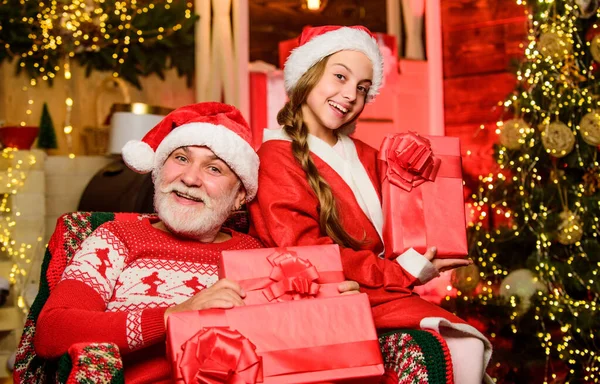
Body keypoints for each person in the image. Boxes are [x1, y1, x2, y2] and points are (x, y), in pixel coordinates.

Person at [34, 102, 361, 383]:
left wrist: (327, 310)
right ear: (159, 170)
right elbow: (52, 331)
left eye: (214, 168)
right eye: (180, 158)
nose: (190, 178)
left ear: (239, 197)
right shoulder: (115, 238)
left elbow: (286, 350)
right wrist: (173, 316)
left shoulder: (256, 255)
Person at [249, 25, 492, 384]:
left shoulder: (367, 155)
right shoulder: (276, 156)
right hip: (331, 304)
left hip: (379, 296)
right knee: (462, 345)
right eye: (340, 77)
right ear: (307, 74)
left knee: (467, 345)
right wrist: (404, 271)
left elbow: (406, 222)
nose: (350, 95)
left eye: (362, 88)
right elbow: (306, 258)